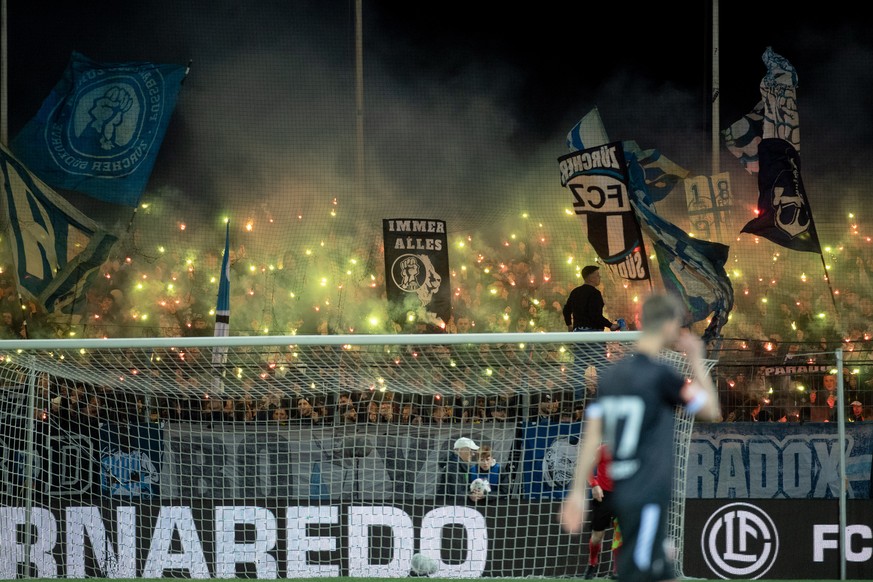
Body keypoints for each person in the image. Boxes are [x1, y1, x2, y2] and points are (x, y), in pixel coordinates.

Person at [560, 293, 721, 582]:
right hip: (649, 490)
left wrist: (575, 492)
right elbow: (711, 410)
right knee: (644, 575)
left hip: (623, 489)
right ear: (670, 325)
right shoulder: (662, 376)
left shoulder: (611, 377)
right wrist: (697, 361)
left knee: (656, 573)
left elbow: (592, 434)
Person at [584, 444, 617, 579]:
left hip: (624, 496)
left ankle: (617, 570)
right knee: (597, 536)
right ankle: (592, 563)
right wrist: (595, 485)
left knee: (622, 534)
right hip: (603, 496)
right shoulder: (603, 449)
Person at [563, 265, 621, 332]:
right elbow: (595, 315)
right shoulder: (595, 293)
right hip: (593, 333)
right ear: (591, 278)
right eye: (597, 275)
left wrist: (569, 325)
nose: (599, 277)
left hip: (578, 333)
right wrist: (610, 325)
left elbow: (566, 310)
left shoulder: (575, 292)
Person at [438, 437, 479, 504]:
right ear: (461, 450)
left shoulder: (461, 466)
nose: (473, 454)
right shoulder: (452, 467)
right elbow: (454, 493)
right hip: (449, 507)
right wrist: (470, 495)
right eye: (470, 450)